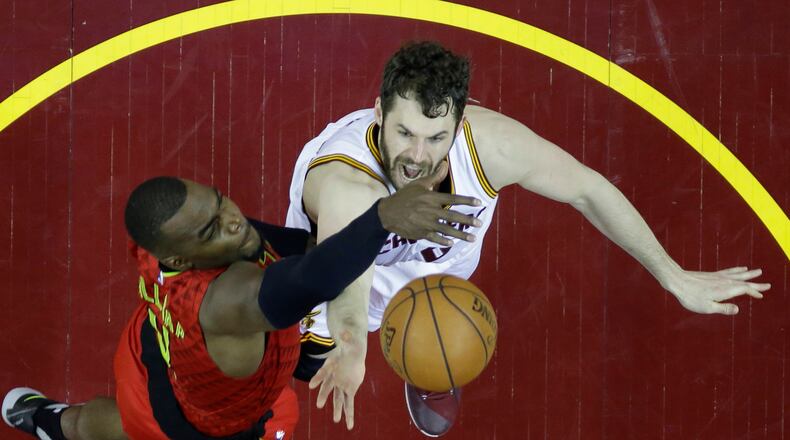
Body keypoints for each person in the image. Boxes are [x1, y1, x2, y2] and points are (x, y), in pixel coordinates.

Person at [285, 41, 772, 436]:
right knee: (304, 365)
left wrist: (673, 276)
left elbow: (586, 190)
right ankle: (392, 348)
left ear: (458, 125)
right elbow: (345, 284)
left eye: (436, 137)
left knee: (441, 334)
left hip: (440, 272)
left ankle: (430, 359)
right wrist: (351, 345)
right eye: (405, 133)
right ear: (377, 114)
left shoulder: (491, 146)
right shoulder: (347, 185)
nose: (417, 155)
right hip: (340, 266)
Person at [3, 173, 481, 440]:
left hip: (153, 348)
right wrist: (381, 218)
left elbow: (298, 248)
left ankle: (54, 422)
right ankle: (56, 425)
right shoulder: (225, 301)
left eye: (220, 203)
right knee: (134, 430)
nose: (233, 221)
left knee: (122, 422)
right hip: (203, 425)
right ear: (181, 258)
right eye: (212, 229)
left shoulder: (168, 240)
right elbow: (314, 275)